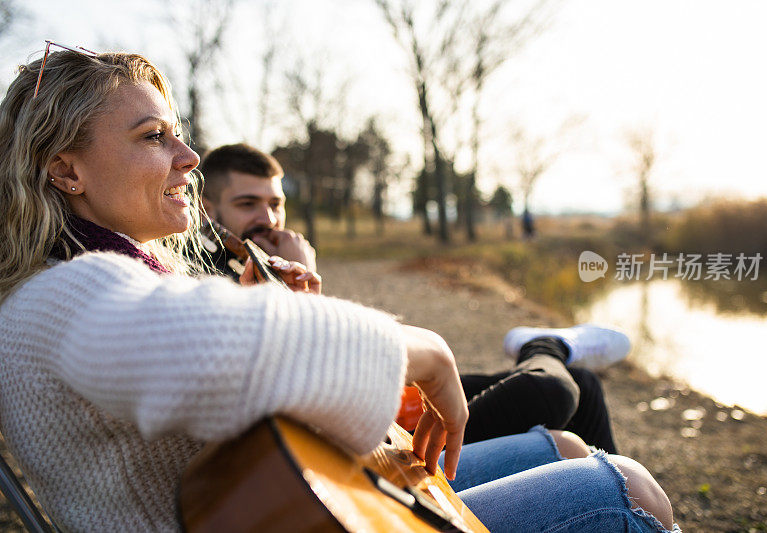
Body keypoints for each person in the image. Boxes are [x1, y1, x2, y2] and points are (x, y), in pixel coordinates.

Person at [0, 45, 677, 532]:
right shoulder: (62, 296)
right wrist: (424, 349)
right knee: (628, 489)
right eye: (153, 136)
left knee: (565, 444)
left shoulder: (94, 274)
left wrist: (280, 309)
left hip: (280, 507)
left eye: (178, 134)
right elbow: (210, 354)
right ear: (67, 171)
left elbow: (217, 402)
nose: (188, 157)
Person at [200, 143, 622, 452]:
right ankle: (545, 344)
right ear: (208, 211)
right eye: (248, 204)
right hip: (387, 439)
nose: (269, 218)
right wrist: (310, 291)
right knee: (550, 393)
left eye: (276, 203)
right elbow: (304, 381)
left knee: (583, 384)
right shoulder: (214, 282)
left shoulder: (267, 264)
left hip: (395, 399)